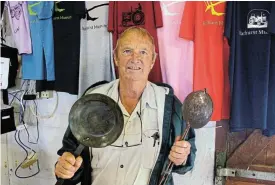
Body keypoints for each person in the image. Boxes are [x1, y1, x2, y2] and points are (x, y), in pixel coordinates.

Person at [54, 27, 196, 185]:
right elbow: (71, 153)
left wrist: (182, 157)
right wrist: (66, 167)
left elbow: (186, 159)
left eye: (143, 52)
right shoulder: (92, 100)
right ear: (115, 57)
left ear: (153, 61)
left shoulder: (170, 106)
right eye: (127, 51)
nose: (135, 58)